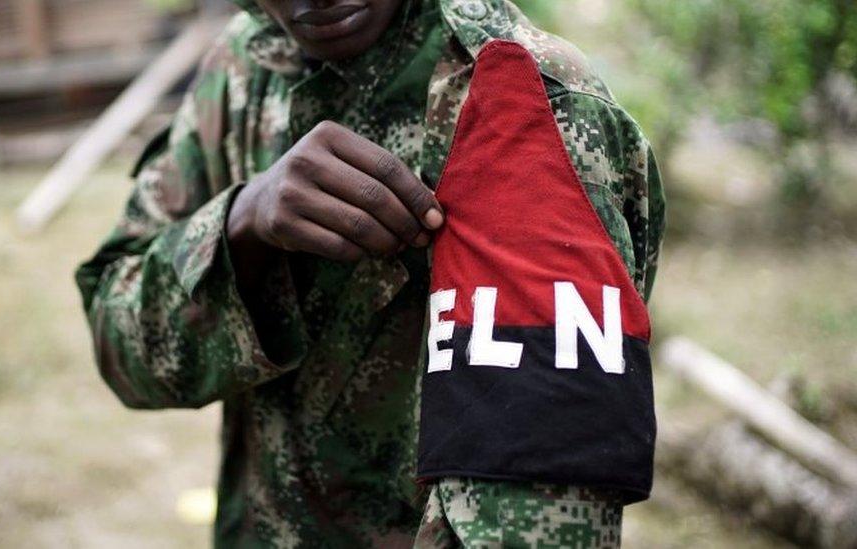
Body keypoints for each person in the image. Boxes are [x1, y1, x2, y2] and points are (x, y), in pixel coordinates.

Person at [74, 0, 666, 545]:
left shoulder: (522, 100)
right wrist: (240, 223)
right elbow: (119, 345)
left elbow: (536, 514)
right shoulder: (245, 61)